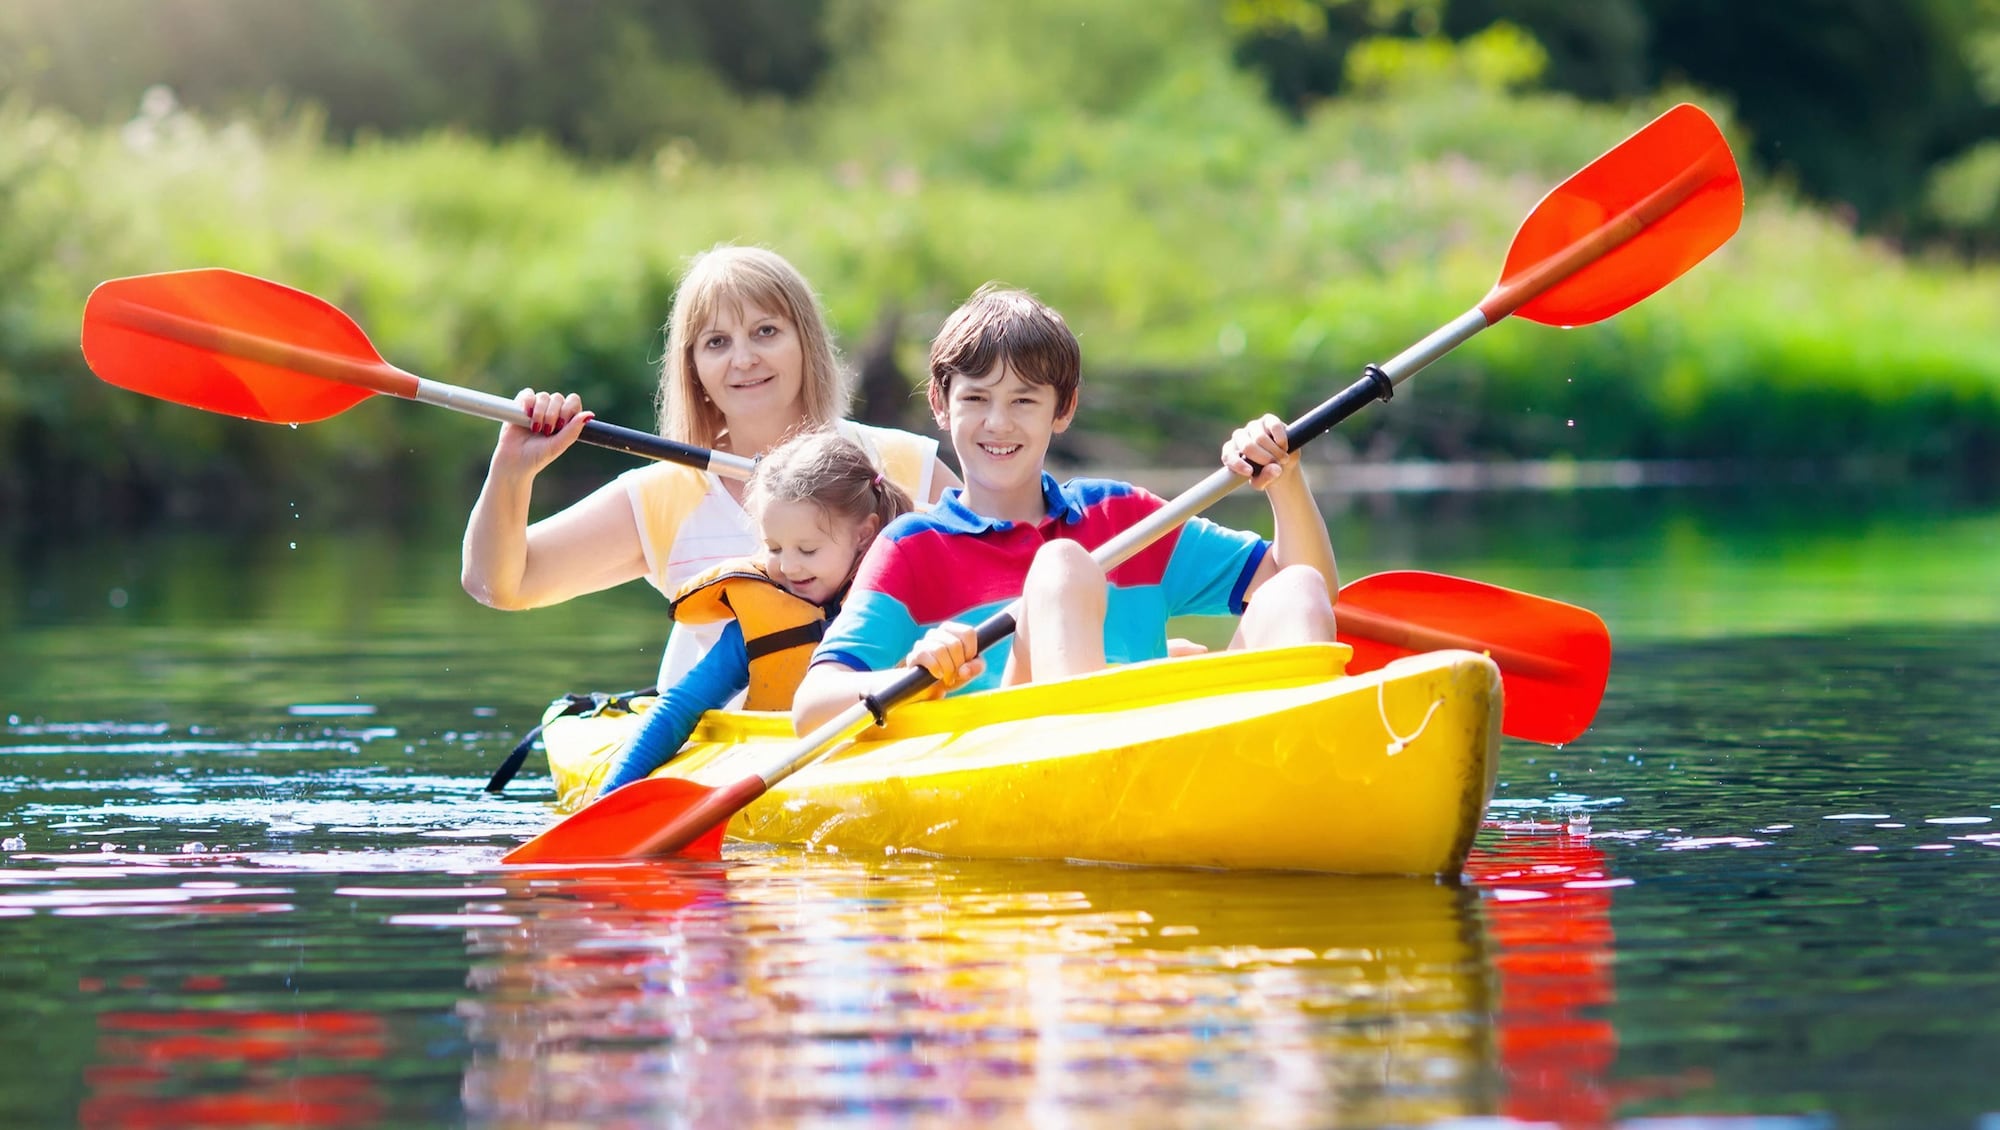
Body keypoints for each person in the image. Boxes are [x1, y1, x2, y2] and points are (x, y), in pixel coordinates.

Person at [793, 284, 1339, 732]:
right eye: (976, 399)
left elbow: (1312, 595)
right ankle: (1093, 756)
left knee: (1296, 588)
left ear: (1064, 408)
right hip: (1023, 764)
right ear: (940, 403)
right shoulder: (911, 548)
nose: (998, 424)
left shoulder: (1123, 514)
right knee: (1062, 566)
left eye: (1024, 401)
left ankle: (1294, 771)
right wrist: (912, 675)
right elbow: (810, 706)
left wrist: (1284, 479)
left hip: (1162, 757)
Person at [460, 245, 959, 688]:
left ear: (805, 343)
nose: (743, 359)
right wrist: (512, 472)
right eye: (716, 342)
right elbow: (498, 584)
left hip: (885, 727)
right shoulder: (663, 495)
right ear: (694, 369)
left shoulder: (901, 464)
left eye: (766, 332)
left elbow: (1010, 562)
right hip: (723, 752)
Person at [593, 430, 912, 795]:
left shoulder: (905, 596)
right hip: (791, 775)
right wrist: (610, 796)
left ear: (864, 534)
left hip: (899, 756)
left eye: (807, 550)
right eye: (773, 547)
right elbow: (680, 707)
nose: (789, 567)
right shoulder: (757, 622)